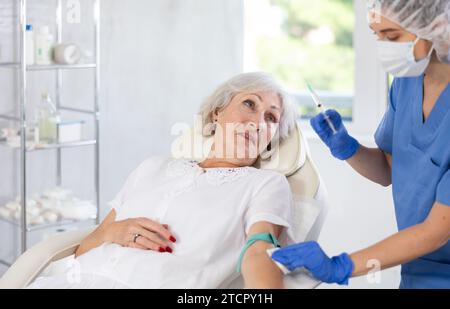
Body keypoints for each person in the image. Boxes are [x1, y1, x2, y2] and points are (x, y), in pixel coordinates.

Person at [27, 72, 300, 289]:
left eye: (271, 117)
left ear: (272, 137)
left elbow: (260, 253)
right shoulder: (153, 167)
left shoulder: (265, 185)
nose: (257, 122)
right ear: (217, 112)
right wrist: (114, 232)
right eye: (249, 104)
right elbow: (82, 252)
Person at [272, 0, 450, 288]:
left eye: (391, 37)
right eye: (376, 35)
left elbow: (437, 231)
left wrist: (340, 266)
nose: (383, 47)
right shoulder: (407, 82)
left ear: (438, 26)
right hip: (417, 269)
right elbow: (389, 169)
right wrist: (347, 148)